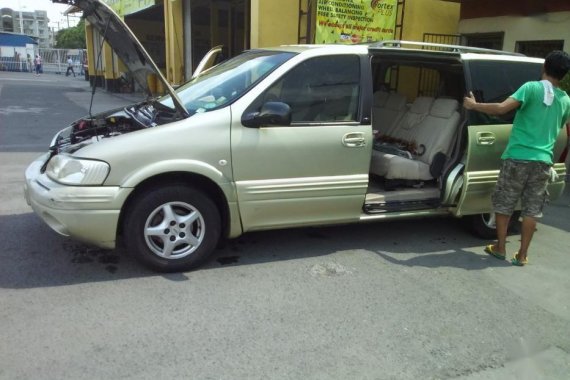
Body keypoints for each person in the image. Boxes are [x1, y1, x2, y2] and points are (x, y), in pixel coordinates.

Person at [463, 50, 570, 266]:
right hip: (543, 161)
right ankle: (522, 255)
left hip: (518, 157)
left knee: (505, 203)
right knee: (532, 208)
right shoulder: (565, 99)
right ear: (564, 75)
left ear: (544, 67)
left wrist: (474, 106)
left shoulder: (530, 88)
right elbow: (561, 126)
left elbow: (502, 109)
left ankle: (500, 248)